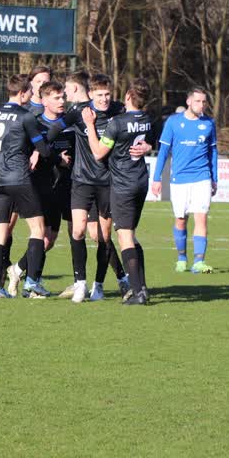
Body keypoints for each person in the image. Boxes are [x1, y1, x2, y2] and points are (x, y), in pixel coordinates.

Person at [49, 73, 132, 302]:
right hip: (82, 181)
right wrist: (41, 150)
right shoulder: (78, 112)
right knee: (78, 231)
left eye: (107, 94)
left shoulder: (119, 111)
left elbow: (138, 128)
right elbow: (54, 130)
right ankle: (80, 284)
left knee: (102, 236)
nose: (104, 99)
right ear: (91, 93)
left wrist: (143, 145)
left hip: (108, 182)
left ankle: (100, 285)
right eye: (100, 95)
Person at [83, 78, 154, 305]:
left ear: (128, 97)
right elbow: (150, 141)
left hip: (123, 184)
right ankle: (142, 286)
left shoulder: (118, 123)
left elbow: (98, 153)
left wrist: (90, 125)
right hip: (141, 181)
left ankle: (137, 293)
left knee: (124, 236)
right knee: (131, 234)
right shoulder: (146, 120)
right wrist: (149, 146)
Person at [0, 74, 51, 299]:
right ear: (22, 93)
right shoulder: (25, 116)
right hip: (19, 178)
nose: (32, 95)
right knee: (38, 230)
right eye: (30, 92)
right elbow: (43, 149)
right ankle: (31, 281)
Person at [6, 80, 73, 297]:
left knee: (49, 240)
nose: (61, 101)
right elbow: (31, 152)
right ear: (44, 101)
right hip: (38, 185)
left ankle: (18, 270)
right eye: (56, 98)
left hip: (61, 186)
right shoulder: (34, 124)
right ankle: (32, 283)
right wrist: (46, 155)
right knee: (40, 234)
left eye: (63, 97)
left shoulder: (70, 122)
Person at [151, 86, 218, 274]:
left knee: (201, 217)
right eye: (197, 101)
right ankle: (181, 258)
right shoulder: (173, 122)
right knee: (181, 220)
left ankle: (199, 262)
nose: (201, 105)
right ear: (189, 101)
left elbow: (213, 152)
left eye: (204, 102)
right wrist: (156, 178)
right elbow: (163, 151)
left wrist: (214, 178)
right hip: (179, 179)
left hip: (202, 177)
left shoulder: (209, 123)